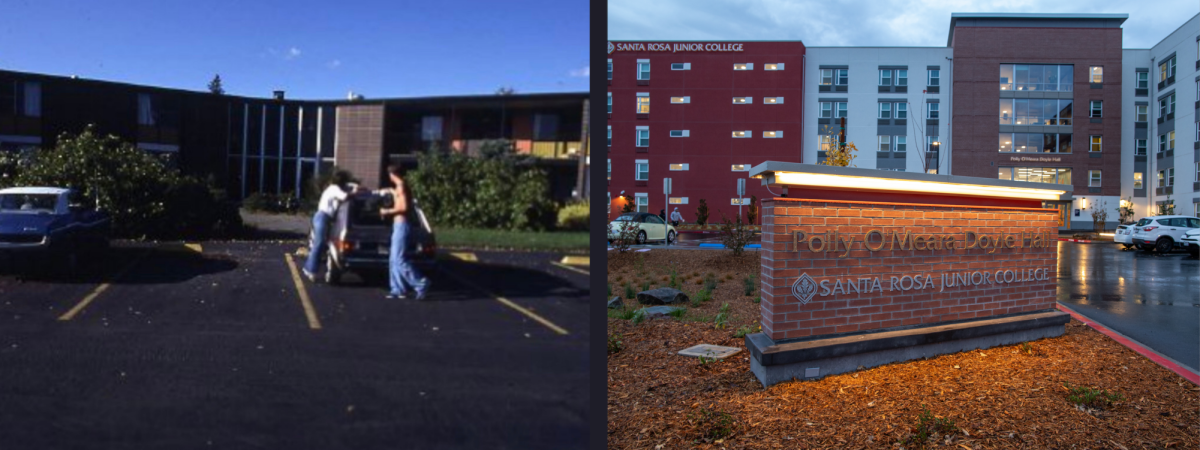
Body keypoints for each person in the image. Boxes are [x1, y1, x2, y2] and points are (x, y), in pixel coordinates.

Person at [379, 164, 430, 300]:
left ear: (392, 175)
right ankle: (397, 289)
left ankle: (421, 283)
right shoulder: (400, 187)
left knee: (400, 259)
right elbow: (399, 196)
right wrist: (390, 190)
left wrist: (387, 211)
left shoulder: (401, 186)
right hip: (398, 225)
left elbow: (404, 207)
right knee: (393, 259)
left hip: (402, 224)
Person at [303, 171, 359, 281]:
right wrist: (355, 192)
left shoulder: (332, 188)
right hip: (322, 216)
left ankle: (311, 269)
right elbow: (345, 197)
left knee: (322, 244)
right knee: (319, 243)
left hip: (325, 218)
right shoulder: (334, 189)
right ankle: (309, 269)